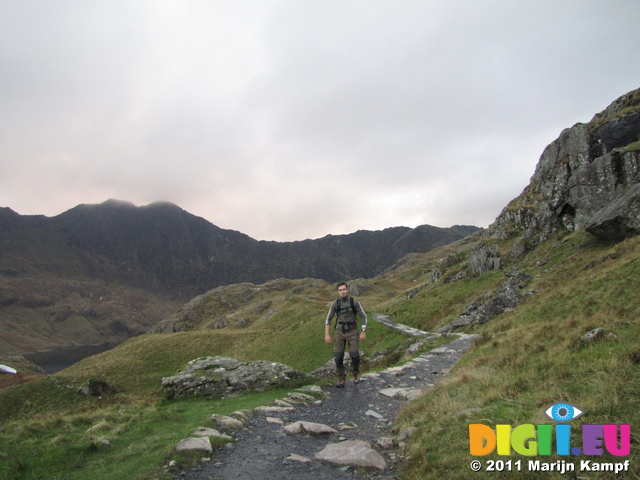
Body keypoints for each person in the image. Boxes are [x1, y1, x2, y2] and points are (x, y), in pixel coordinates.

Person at [324, 281, 368, 387]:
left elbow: (364, 316)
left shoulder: (354, 302)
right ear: (338, 292)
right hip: (339, 332)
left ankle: (356, 374)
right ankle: (341, 379)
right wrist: (327, 334)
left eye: (344, 289)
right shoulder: (336, 303)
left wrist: (363, 331)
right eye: (340, 290)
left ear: (347, 290)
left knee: (354, 356)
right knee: (338, 357)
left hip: (353, 331)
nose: (342, 292)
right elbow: (328, 319)